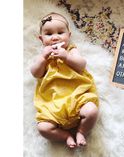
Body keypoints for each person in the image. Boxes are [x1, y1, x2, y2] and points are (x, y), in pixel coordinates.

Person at [30, 12, 99, 149]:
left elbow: (81, 65)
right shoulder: (43, 57)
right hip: (52, 105)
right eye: (49, 34)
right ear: (41, 39)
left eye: (60, 32)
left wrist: (66, 57)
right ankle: (65, 136)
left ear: (69, 35)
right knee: (43, 128)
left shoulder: (71, 51)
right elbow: (36, 73)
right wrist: (43, 59)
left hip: (77, 97)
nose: (55, 37)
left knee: (91, 111)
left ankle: (81, 132)